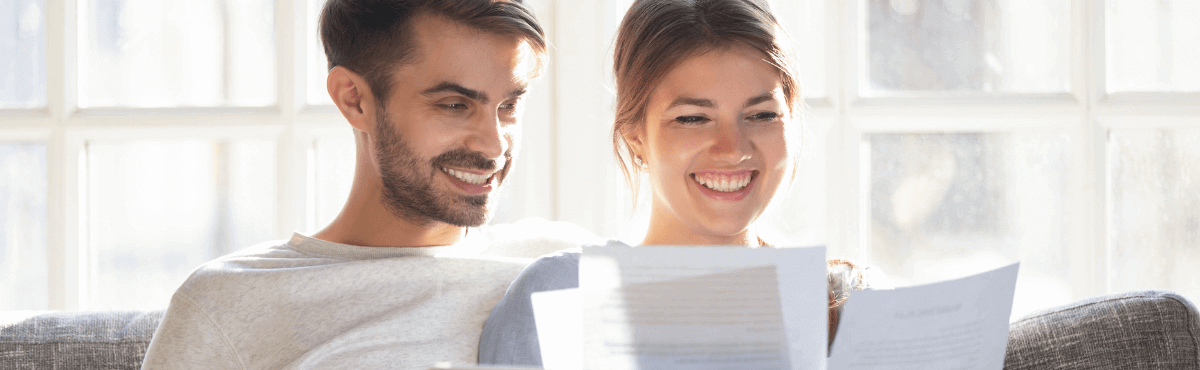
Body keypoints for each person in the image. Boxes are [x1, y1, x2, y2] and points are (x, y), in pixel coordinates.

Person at [139, 1, 582, 369]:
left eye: (508, 106)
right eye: (454, 105)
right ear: (354, 99)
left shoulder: (561, 261)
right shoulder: (227, 304)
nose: (492, 146)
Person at [477, 0, 884, 366]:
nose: (731, 149)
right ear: (635, 134)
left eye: (761, 115)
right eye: (692, 118)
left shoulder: (853, 302)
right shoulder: (560, 295)